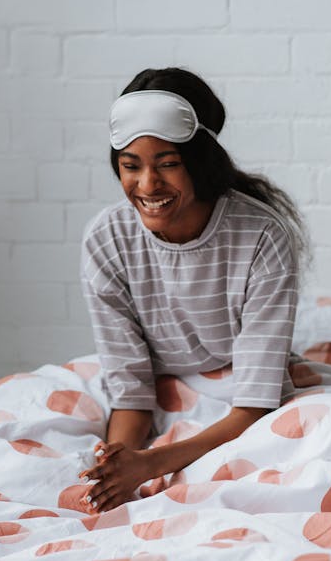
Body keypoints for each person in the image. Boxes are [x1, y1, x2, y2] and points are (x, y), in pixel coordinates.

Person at [78, 67, 309, 513]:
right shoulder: (105, 239)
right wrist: (114, 470)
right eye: (131, 166)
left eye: (167, 164)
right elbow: (130, 389)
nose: (147, 186)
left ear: (200, 163)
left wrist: (148, 465)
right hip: (153, 397)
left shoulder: (262, 235)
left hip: (241, 403)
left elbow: (258, 402)